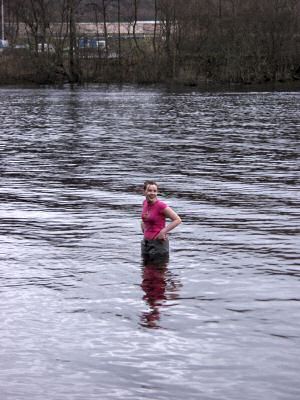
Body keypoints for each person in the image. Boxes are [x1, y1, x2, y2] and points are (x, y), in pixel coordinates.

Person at [141, 180, 182, 259]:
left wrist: (163, 232)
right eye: (149, 190)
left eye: (154, 191)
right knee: (145, 270)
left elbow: (177, 220)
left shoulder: (161, 206)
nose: (152, 193)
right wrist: (143, 224)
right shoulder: (145, 203)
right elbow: (146, 217)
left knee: (158, 270)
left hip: (158, 244)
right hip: (146, 243)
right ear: (144, 192)